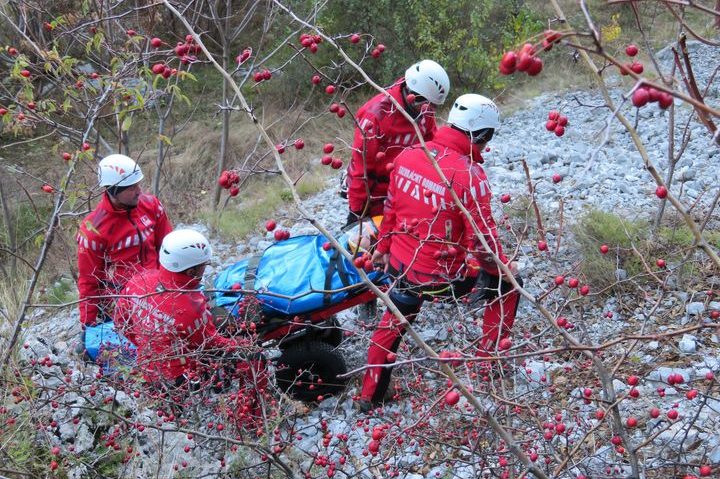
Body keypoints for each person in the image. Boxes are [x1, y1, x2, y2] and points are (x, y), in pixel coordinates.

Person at [359, 94, 522, 411]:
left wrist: (382, 249)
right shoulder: (469, 176)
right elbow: (483, 245)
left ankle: (369, 396)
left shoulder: (408, 156)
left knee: (394, 319)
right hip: (440, 277)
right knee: (509, 284)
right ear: (483, 135)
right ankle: (489, 363)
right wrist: (504, 269)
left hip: (401, 267)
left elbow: (390, 210)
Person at [113, 229, 266, 423]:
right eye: (202, 267)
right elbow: (211, 343)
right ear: (191, 271)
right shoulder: (191, 305)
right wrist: (244, 343)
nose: (204, 271)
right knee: (254, 357)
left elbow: (121, 322)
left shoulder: (138, 281)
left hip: (149, 368)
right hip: (181, 378)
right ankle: (251, 421)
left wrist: (151, 344)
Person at [345, 60, 450, 225]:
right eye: (429, 105)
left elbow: (431, 143)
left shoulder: (424, 110)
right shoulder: (375, 116)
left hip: (403, 186)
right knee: (370, 240)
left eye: (433, 106)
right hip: (374, 192)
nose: (431, 111)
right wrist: (356, 210)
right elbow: (361, 166)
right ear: (414, 96)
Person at [76, 154, 173, 328]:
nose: (139, 191)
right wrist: (87, 324)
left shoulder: (151, 206)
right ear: (112, 190)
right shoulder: (93, 229)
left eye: (138, 184)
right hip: (124, 302)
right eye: (131, 188)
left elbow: (169, 248)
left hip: (160, 288)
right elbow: (89, 280)